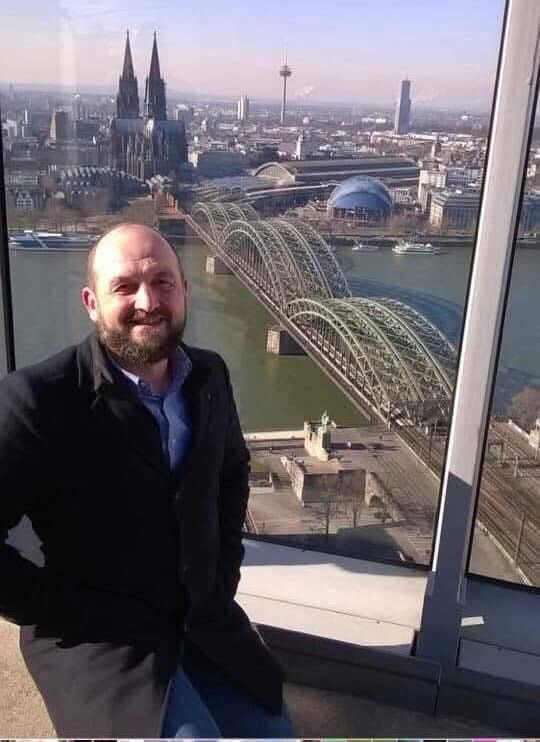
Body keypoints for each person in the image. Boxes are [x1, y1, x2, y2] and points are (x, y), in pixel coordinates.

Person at [0, 223, 295, 738]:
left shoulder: (209, 376)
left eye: (163, 282)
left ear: (185, 291)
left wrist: (223, 574)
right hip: (100, 639)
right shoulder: (38, 400)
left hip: (201, 618)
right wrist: (58, 608)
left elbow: (232, 471)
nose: (147, 301)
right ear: (92, 303)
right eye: (124, 288)